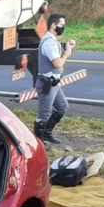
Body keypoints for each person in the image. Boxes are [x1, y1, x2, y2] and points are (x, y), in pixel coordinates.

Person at [34, 13, 76, 145]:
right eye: (61, 25)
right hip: (47, 83)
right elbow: (57, 63)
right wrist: (67, 54)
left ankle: (47, 134)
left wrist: (68, 48)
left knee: (62, 107)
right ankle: (38, 143)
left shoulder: (53, 41)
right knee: (43, 116)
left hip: (54, 84)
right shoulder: (49, 43)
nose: (62, 28)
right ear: (53, 25)